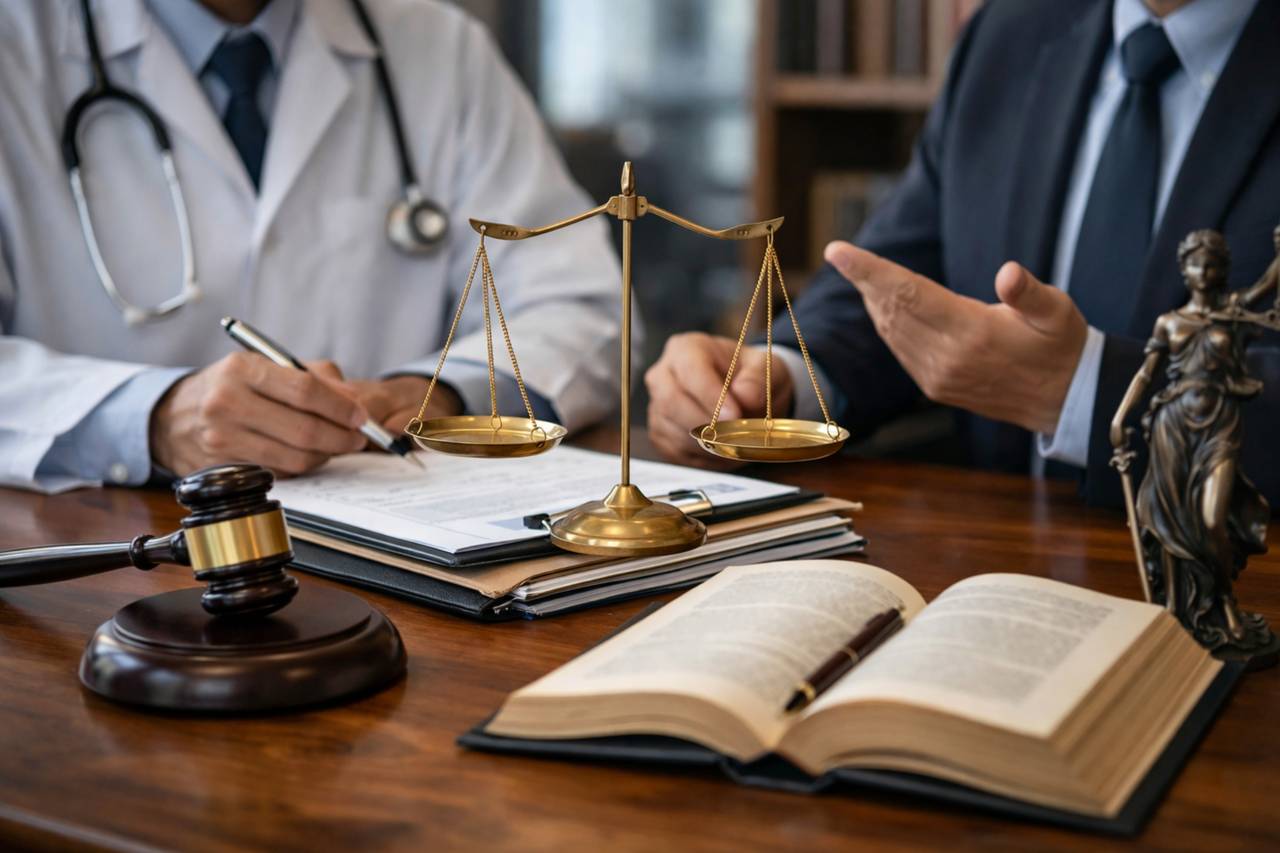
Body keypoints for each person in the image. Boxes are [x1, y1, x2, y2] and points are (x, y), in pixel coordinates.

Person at [646, 0, 1280, 507]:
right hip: (995, 574)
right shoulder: (1011, 32)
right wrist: (776, 382)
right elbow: (898, 279)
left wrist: (1085, 395)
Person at [0, 0, 627, 491]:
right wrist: (149, 420)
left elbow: (581, 306)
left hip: (393, 547)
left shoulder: (440, 47)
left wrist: (433, 393)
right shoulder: (16, 48)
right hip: (103, 561)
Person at [1111, 229, 1276, 649]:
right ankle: (1178, 614)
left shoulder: (1233, 311)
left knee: (1210, 519)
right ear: (1183, 269)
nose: (1204, 271)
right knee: (1170, 525)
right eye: (1195, 262)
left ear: (1222, 269)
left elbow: (1268, 285)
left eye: (1212, 263)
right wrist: (1119, 417)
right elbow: (1146, 374)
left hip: (1218, 424)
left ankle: (1222, 600)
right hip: (1172, 426)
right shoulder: (1169, 322)